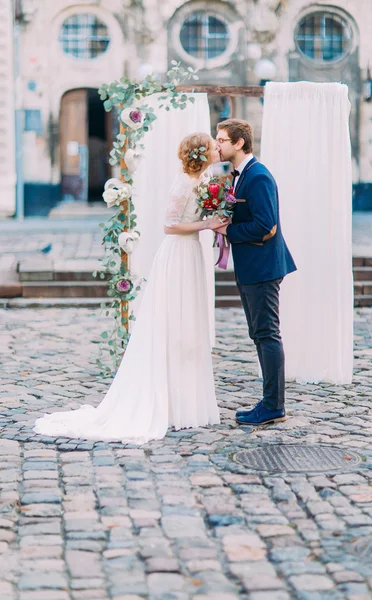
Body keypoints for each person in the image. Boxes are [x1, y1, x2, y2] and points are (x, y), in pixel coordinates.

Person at [34, 133, 224, 444]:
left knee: (189, 325)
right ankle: (170, 401)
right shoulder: (183, 184)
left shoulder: (205, 181)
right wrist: (207, 224)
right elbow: (169, 224)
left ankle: (187, 401)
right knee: (173, 323)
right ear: (201, 154)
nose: (218, 148)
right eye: (214, 146)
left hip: (192, 253)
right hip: (177, 253)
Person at [215, 119, 296, 426]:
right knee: (259, 334)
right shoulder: (240, 176)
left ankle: (274, 405)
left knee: (267, 334)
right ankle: (269, 401)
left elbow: (266, 226)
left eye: (222, 140)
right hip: (251, 267)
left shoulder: (258, 177)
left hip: (262, 267)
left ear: (239, 143)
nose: (217, 144)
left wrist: (228, 229)